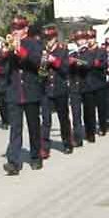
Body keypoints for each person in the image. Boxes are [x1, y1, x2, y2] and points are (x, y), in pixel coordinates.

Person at [2, 16, 44, 175]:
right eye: (13, 28)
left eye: (18, 28)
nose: (15, 31)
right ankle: (13, 161)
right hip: (14, 91)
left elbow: (37, 62)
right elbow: (0, 65)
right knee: (15, 129)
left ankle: (35, 157)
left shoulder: (34, 43)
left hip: (30, 90)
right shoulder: (9, 44)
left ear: (26, 29)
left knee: (34, 127)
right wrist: (4, 53)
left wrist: (20, 51)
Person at [41, 25, 72, 154]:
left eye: (50, 38)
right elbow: (40, 72)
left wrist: (54, 61)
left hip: (60, 88)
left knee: (63, 118)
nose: (48, 41)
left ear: (55, 38)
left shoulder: (63, 50)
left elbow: (65, 69)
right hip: (46, 88)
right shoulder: (43, 51)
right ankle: (44, 147)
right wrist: (42, 63)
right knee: (46, 119)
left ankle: (67, 143)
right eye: (46, 39)